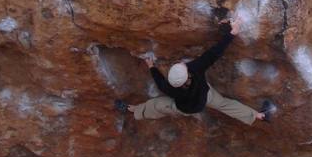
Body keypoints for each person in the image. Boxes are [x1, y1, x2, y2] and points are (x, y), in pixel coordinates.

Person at [115, 19, 274, 124]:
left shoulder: (170, 88)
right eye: (181, 66)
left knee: (155, 105)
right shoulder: (194, 69)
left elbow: (160, 82)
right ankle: (260, 116)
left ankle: (132, 110)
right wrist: (232, 33)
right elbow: (213, 53)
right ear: (186, 73)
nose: (181, 64)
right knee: (226, 104)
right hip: (206, 97)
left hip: (187, 108)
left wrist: (151, 66)